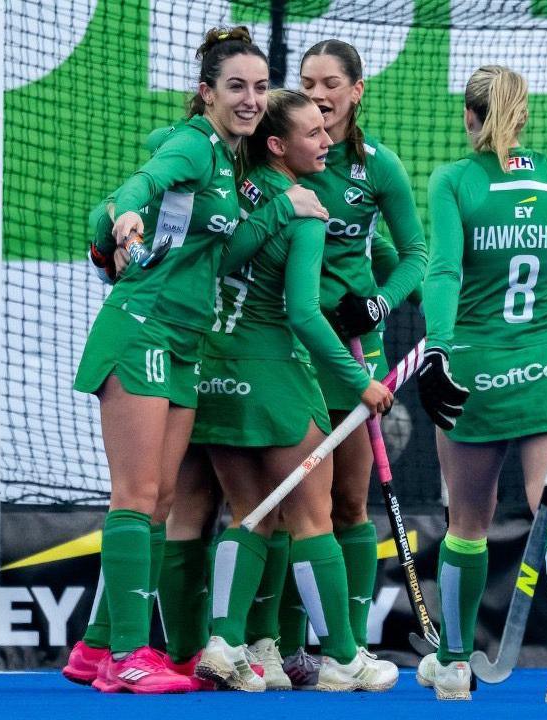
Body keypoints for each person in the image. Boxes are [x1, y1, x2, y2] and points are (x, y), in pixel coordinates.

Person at [61, 27, 323, 693]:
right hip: (142, 331)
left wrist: (278, 210)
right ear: (207, 93)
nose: (250, 98)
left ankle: (95, 649)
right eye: (236, 86)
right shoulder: (191, 145)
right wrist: (118, 229)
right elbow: (135, 187)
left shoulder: (231, 162)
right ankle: (127, 656)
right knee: (138, 495)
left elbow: (212, 248)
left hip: (184, 342)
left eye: (260, 88)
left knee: (164, 499)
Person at [181, 89, 398, 693]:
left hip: (213, 374)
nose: (326, 139)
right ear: (277, 145)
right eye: (311, 133)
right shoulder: (303, 210)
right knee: (311, 516)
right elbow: (304, 314)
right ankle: (343, 659)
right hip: (274, 376)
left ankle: (224, 643)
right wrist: (361, 385)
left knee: (251, 514)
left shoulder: (231, 186)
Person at [411, 65, 547, 702]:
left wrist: (437, 350)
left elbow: (442, 274)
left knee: (466, 521)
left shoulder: (453, 181)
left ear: (470, 117)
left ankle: (456, 663)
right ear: (523, 117)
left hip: (476, 365)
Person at [271, 39, 427, 673]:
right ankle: (283, 648)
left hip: (360, 348)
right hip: (293, 347)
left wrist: (380, 304)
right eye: (307, 82)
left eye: (331, 82)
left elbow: (413, 255)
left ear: (357, 90)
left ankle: (349, 644)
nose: (318, 93)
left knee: (348, 504)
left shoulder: (378, 167)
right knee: (290, 502)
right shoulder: (280, 160)